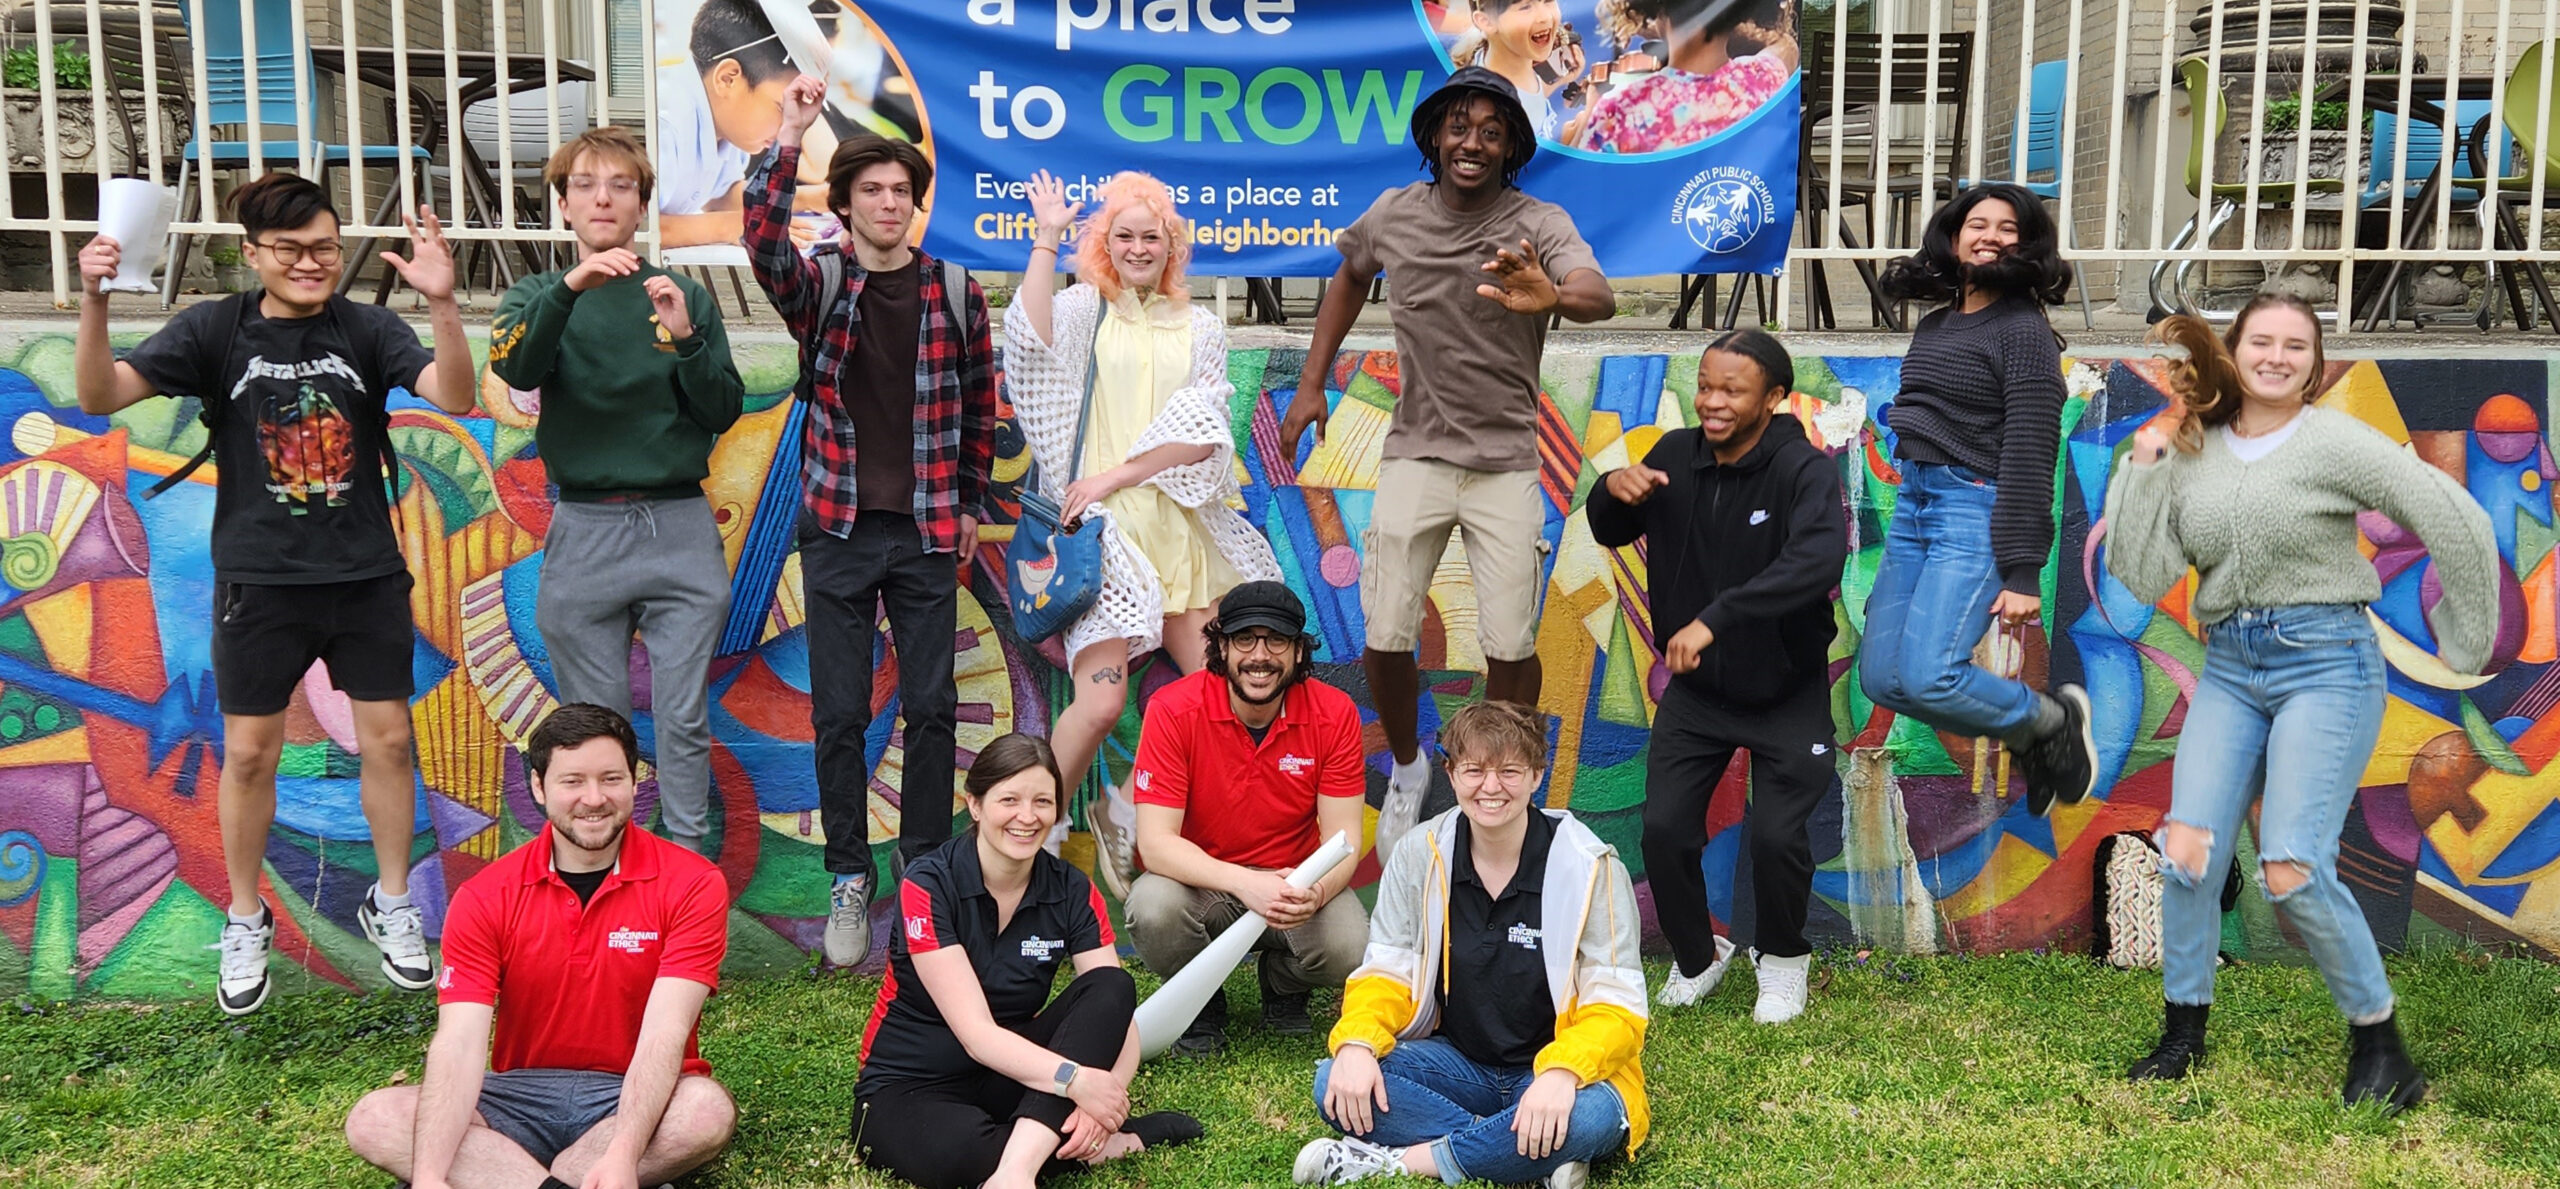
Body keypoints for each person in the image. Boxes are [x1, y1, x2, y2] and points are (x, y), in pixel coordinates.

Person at [74, 173, 476, 1014]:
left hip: (365, 575)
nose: (310, 263)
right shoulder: (215, 329)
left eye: (324, 247)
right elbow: (101, 395)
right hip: (259, 583)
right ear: (252, 253)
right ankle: (247, 915)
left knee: (390, 743)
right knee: (252, 753)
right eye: (289, 250)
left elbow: (458, 396)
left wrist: (443, 302)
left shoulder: (366, 327)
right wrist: (93, 300)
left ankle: (393, 902)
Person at [2103, 299, 2499, 1112]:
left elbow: (2448, 510)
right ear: (2234, 353)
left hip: (2328, 666)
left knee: (2290, 864)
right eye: (2262, 342)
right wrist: (2140, 470)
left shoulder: (2334, 441)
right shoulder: (2192, 450)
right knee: (2187, 851)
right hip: (2232, 669)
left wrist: (2469, 636)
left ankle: (2382, 1046)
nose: (2277, 357)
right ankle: (2184, 1027)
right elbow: (2143, 575)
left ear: (2314, 366)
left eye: (2297, 346)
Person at [1279, 67, 1615, 865]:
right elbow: (1352, 273)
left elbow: (1595, 292)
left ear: (1511, 148)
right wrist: (1311, 380)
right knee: (1386, 633)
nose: (1473, 142)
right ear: (1434, 137)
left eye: (1491, 131)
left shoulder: (1538, 220)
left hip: (1503, 463)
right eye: (1459, 127)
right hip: (1415, 453)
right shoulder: (1395, 213)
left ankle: (1500, 784)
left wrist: (1553, 295)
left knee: (1509, 642)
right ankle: (1407, 763)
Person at [747, 74, 997, 969]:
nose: (889, 203)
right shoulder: (818, 286)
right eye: (872, 191)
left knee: (933, 706)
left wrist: (969, 505)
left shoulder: (955, 289)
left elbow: (977, 407)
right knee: (841, 712)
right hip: (840, 527)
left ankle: (925, 875)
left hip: (928, 529)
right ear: (847, 205)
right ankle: (850, 875)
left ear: (916, 206)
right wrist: (788, 134)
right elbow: (762, 243)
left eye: (902, 191)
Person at [1003, 168, 1282, 897]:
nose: (1135, 247)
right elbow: (1027, 339)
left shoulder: (1203, 328)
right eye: (1122, 235)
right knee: (1097, 704)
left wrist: (1115, 475)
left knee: (1224, 696)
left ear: (1171, 245)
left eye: (1149, 236)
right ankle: (1030, 833)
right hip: (1104, 541)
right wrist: (1046, 238)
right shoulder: (1081, 310)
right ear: (1105, 242)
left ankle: (1154, 819)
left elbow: (1201, 438)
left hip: (1179, 528)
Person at [342, 704, 737, 1189]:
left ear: (635, 784)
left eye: (611, 778)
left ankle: (510, 1178)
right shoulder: (485, 895)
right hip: (516, 1098)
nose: (594, 799)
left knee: (704, 1111)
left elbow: (665, 1034)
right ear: (538, 787)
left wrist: (622, 1154)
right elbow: (460, 1043)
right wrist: (426, 1176)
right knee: (376, 1118)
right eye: (572, 781)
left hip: (630, 1094)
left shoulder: (693, 883)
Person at [489, 125, 745, 859]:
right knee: (592, 725)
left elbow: (721, 409)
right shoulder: (536, 294)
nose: (603, 198)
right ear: (563, 204)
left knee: (683, 715)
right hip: (585, 529)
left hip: (678, 528)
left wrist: (687, 337)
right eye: (586, 186)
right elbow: (519, 369)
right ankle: (604, 875)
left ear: (642, 204)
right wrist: (572, 288)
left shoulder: (681, 290)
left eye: (621, 186)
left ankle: (689, 873)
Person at [1585, 328, 1845, 1025]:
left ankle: (1784, 960)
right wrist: (1611, 490)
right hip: (1698, 694)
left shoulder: (1803, 471)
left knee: (1776, 837)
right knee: (1665, 830)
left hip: (1786, 689)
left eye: (1732, 388)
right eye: (1705, 384)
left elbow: (1816, 564)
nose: (1712, 400)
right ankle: (1699, 957)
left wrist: (1715, 619)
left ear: (1774, 397)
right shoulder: (1674, 455)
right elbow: (1609, 528)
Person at [1293, 701, 1647, 1187]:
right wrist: (1356, 1042)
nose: (1491, 787)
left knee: (1595, 1117)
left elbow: (1617, 1007)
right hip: (1460, 1068)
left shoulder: (1590, 865)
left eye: (1509, 771)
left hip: (1556, 1070)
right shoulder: (1420, 854)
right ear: (1451, 772)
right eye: (1475, 770)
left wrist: (1563, 1073)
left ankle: (1397, 1162)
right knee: (1333, 1078)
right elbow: (1386, 975)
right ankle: (1527, 1157)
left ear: (1537, 774)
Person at [852, 733, 1203, 1189]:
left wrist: (1103, 1100)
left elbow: (1115, 1012)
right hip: (909, 1084)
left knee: (1112, 985)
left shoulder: (1072, 890)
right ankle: (1109, 1146)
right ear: (975, 805)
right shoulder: (928, 884)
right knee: (957, 1155)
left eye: (1042, 801)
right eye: (1009, 799)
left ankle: (1017, 1170)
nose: (1027, 816)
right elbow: (977, 1036)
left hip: (1018, 1076)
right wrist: (1076, 1082)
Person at [1855, 183, 2099, 817]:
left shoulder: (2023, 333)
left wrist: (2022, 571)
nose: (1990, 235)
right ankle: (2029, 730)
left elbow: (2030, 451)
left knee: (1934, 673)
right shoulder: (1939, 324)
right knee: (1882, 677)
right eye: (1977, 223)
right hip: (1917, 504)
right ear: (1953, 235)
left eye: (2008, 227)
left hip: (1974, 507)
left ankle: (2048, 721)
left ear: (2030, 244)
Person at [1127, 581, 1371, 1055]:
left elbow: (1345, 837)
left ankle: (1282, 986)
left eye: (1276, 640)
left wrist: (1314, 890)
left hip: (1294, 882)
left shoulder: (1334, 712)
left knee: (1350, 945)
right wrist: (1242, 881)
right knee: (1151, 908)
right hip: (1203, 885)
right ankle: (1200, 1003)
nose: (1260, 656)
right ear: (1221, 646)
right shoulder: (1174, 709)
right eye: (1244, 639)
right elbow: (1155, 843)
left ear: (1299, 652)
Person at [657, 0, 798, 249]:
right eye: (781, 108)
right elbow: (632, 229)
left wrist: (809, 202)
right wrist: (733, 225)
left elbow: (721, 196)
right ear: (728, 79)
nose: (787, 128)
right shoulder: (665, 124)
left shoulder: (729, 122)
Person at [1569, 0, 1795, 154]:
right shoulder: (1763, 79)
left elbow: (1578, 189)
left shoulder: (1620, 111)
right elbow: (1785, 46)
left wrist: (1590, 109)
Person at [1451, 0, 1567, 140]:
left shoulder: (1528, 64)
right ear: (1486, 21)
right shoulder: (1486, 108)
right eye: (1525, 7)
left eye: (1548, 1)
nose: (1545, 17)